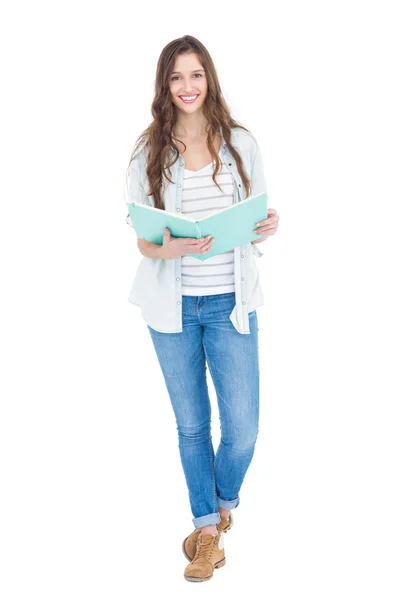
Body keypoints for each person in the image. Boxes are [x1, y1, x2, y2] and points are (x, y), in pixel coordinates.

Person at [125, 35, 279, 583]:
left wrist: (268, 224)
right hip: (173, 308)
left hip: (230, 305)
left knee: (243, 430)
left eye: (195, 75)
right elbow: (144, 239)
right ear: (164, 87)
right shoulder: (149, 151)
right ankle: (207, 536)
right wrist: (171, 246)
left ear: (208, 79)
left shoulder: (241, 143)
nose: (187, 87)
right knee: (192, 426)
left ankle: (219, 506)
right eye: (175, 78)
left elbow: (259, 215)